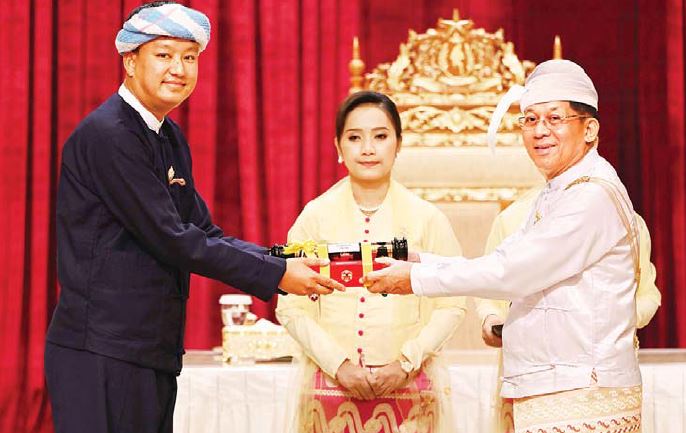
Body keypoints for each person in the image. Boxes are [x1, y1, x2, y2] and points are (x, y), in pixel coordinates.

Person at [44, 3, 343, 433]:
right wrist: (277, 274)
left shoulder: (167, 134)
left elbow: (203, 231)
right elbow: (174, 238)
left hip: (148, 349)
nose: (179, 69)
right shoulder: (109, 135)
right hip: (102, 351)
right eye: (164, 55)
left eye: (189, 57)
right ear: (130, 61)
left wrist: (283, 260)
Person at [363, 59, 645, 433]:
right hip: (560, 387)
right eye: (530, 120)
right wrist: (421, 262)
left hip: (583, 393)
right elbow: (505, 259)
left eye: (554, 119)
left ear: (590, 129)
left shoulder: (590, 195)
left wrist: (415, 279)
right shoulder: (560, 191)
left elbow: (513, 273)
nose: (540, 131)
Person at [275, 91, 467, 433]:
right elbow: (290, 308)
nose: (367, 149)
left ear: (398, 144)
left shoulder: (427, 218)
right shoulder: (314, 217)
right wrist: (338, 365)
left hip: (411, 389)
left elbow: (453, 303)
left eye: (380, 136)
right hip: (330, 388)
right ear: (338, 146)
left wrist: (406, 362)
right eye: (354, 138)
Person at [476, 187, 661, 433]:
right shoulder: (515, 218)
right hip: (531, 380)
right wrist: (492, 319)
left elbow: (648, 294)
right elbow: (488, 291)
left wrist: (613, 317)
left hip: (604, 379)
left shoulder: (624, 218)